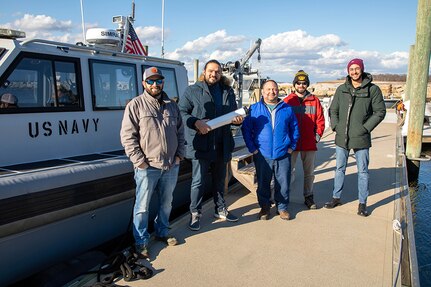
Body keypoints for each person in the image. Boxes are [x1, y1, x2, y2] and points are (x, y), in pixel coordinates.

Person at [120, 66, 185, 257]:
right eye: (150, 81)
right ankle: (141, 241)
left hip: (171, 165)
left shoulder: (172, 106)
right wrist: (139, 162)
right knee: (142, 207)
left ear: (163, 82)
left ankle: (162, 232)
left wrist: (179, 155)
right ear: (143, 83)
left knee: (166, 203)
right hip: (147, 167)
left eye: (158, 81)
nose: (155, 84)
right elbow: (127, 137)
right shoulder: (135, 105)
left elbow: (181, 133)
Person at [178, 59, 244, 231]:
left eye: (217, 71)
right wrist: (195, 122)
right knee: (198, 182)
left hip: (222, 144)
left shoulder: (227, 91)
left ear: (221, 73)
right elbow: (181, 112)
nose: (214, 74)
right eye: (211, 71)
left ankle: (220, 209)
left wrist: (237, 121)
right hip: (201, 145)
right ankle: (195, 214)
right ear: (204, 72)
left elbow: (233, 116)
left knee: (220, 179)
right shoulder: (192, 91)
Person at [324, 58, 386, 216]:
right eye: (351, 69)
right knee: (339, 169)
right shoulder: (341, 89)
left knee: (363, 171)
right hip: (341, 138)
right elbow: (333, 110)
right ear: (348, 71)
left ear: (362, 69)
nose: (354, 72)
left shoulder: (373, 90)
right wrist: (336, 126)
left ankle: (362, 203)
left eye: (357, 68)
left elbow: (380, 112)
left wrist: (365, 128)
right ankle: (336, 197)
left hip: (361, 138)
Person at [241, 79, 299, 220]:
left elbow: (295, 129)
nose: (272, 92)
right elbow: (246, 130)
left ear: (278, 91)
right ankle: (265, 207)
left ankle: (282, 207)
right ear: (262, 91)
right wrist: (253, 149)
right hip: (262, 153)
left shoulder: (286, 108)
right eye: (268, 89)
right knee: (263, 182)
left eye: (274, 89)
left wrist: (292, 146)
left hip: (283, 153)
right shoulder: (254, 109)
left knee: (283, 182)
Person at [283, 70, 325, 209]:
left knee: (309, 173)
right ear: (295, 84)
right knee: (288, 171)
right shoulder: (288, 101)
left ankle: (309, 197)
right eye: (298, 83)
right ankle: (284, 197)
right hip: (292, 144)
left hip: (308, 143)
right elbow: (283, 121)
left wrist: (316, 137)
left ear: (307, 84)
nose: (301, 85)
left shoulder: (315, 101)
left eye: (304, 83)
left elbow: (320, 121)